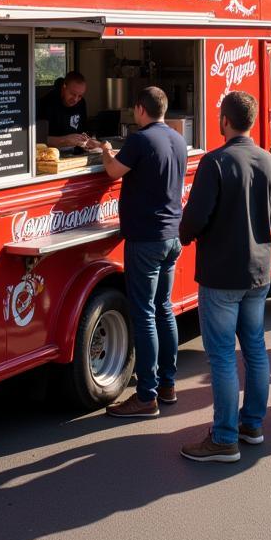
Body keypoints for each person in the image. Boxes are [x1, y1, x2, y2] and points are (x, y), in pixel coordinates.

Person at [178, 92, 271, 463]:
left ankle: (223, 437)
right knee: (254, 349)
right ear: (251, 121)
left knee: (221, 356)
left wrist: (184, 235)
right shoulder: (270, 161)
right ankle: (251, 424)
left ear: (224, 120)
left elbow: (194, 218)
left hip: (222, 272)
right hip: (258, 271)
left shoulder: (215, 162)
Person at [101, 86, 187, 418]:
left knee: (144, 313)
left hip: (146, 239)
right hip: (170, 236)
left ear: (140, 109)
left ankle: (146, 395)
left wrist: (108, 151)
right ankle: (167, 384)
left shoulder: (139, 140)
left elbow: (113, 171)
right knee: (163, 309)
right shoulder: (177, 138)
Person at [37, 71, 96, 149]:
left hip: (76, 152)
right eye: (72, 94)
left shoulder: (81, 103)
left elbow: (83, 130)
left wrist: (89, 140)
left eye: (80, 96)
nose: (75, 99)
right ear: (64, 87)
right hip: (51, 152)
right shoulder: (46, 103)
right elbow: (38, 139)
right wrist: (64, 140)